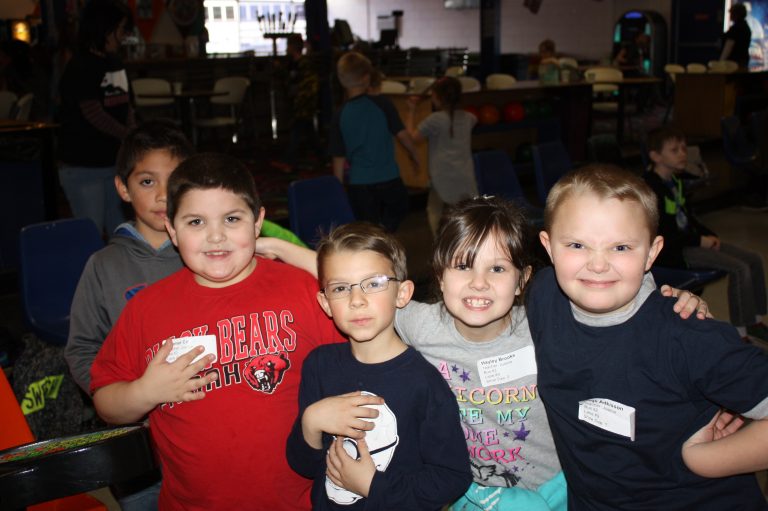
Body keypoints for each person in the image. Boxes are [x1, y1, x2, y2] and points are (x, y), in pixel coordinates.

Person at [258, 196, 710, 511]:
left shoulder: (543, 324)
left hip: (558, 487)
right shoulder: (420, 322)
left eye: (497, 268)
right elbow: (360, 282)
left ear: (523, 280)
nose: (479, 284)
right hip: (474, 493)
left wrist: (668, 303)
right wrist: (279, 248)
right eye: (463, 266)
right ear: (439, 276)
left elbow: (606, 294)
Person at [90, 152, 344, 510]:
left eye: (232, 219)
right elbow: (106, 401)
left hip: (301, 501)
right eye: (195, 222)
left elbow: (369, 309)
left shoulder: (302, 290)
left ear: (258, 222)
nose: (215, 236)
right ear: (172, 230)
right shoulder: (145, 310)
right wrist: (145, 392)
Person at [532, 164, 768, 510]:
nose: (598, 264)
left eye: (621, 247)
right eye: (577, 244)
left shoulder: (686, 334)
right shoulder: (543, 295)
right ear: (549, 246)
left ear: (652, 253)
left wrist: (706, 459)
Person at [285, 222, 471, 509]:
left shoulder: (424, 382)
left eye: (373, 284)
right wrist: (311, 421)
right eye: (340, 288)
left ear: (402, 293)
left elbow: (452, 477)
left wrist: (373, 485)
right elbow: (304, 466)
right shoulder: (319, 365)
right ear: (325, 303)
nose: (357, 300)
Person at [64, 119, 192, 509]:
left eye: (174, 180)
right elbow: (82, 349)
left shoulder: (209, 256)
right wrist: (125, 396)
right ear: (122, 188)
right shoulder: (103, 266)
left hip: (202, 430)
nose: (162, 195)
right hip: (138, 441)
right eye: (147, 181)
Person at [644, 125, 768, 342]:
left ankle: (755, 321)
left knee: (754, 259)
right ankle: (739, 333)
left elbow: (688, 217)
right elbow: (665, 234)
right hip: (675, 251)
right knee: (739, 268)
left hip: (690, 240)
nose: (683, 154)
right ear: (655, 156)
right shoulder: (651, 188)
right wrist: (700, 240)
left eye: (683, 148)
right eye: (674, 150)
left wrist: (709, 235)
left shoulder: (674, 181)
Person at [58, 0, 135, 237]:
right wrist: (128, 135)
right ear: (104, 29)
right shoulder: (80, 66)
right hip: (83, 165)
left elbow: (127, 105)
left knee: (121, 235)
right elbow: (92, 113)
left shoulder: (115, 63)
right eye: (120, 29)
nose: (123, 36)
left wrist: (132, 135)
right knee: (90, 234)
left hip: (113, 164)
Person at [330, 51, 419, 232]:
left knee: (367, 228)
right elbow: (402, 135)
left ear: (341, 80)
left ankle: (380, 237)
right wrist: (414, 154)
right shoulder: (382, 104)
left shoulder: (340, 114)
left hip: (359, 183)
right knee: (400, 209)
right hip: (388, 178)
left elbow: (338, 157)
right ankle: (385, 233)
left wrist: (339, 188)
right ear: (366, 78)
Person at [405, 76, 478, 236]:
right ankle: (466, 241)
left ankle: (441, 242)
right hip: (464, 174)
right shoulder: (469, 118)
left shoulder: (435, 120)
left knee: (434, 210)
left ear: (437, 98)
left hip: (442, 176)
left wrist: (411, 110)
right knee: (465, 212)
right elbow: (471, 119)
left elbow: (411, 138)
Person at [271, 33, 321, 174]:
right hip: (298, 103)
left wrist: (301, 100)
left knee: (297, 131)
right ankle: (323, 156)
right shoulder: (294, 64)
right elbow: (289, 80)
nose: (286, 49)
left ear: (293, 47)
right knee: (309, 132)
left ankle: (289, 161)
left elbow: (308, 86)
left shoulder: (304, 64)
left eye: (288, 46)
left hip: (303, 104)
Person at [721, 3, 752, 68]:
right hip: (743, 62)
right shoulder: (746, 28)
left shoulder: (735, 29)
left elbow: (728, 47)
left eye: (731, 13)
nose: (730, 15)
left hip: (733, 64)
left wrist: (721, 62)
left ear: (736, 14)